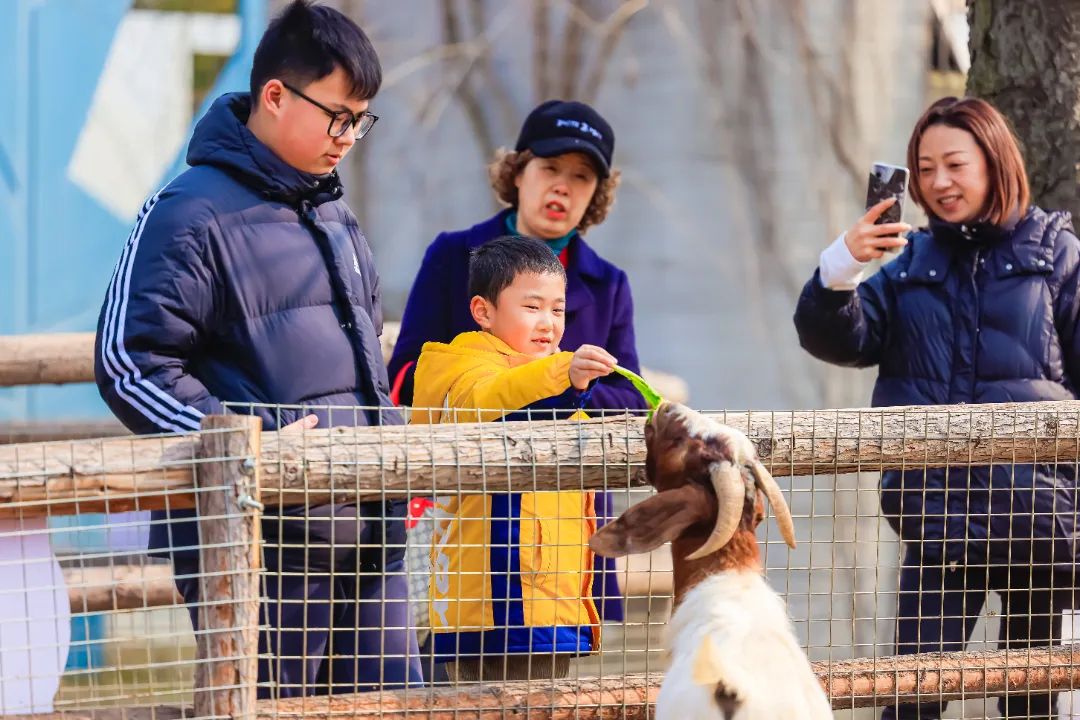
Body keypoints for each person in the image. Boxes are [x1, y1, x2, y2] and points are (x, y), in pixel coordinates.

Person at [93, 0, 419, 697]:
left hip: (371, 531)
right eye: (339, 115)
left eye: (361, 120)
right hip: (261, 540)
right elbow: (131, 363)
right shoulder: (189, 212)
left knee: (396, 708)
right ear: (275, 95)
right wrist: (249, 444)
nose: (349, 136)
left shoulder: (334, 214)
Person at [794, 96, 1080, 720]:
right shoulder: (907, 266)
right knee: (910, 702)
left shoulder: (1056, 255)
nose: (939, 183)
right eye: (925, 169)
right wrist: (842, 266)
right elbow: (840, 339)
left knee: (1030, 705)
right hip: (937, 524)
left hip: (1038, 525)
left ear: (994, 161)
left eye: (954, 163)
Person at [411, 235, 616, 681]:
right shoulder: (462, 369)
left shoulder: (553, 379)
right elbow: (494, 402)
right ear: (483, 311)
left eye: (558, 309)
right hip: (495, 601)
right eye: (532, 307)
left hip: (547, 597)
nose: (548, 323)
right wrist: (567, 376)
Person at [387, 99, 646, 416]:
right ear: (519, 172)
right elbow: (402, 376)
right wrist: (507, 383)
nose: (562, 188)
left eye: (582, 176)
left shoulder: (609, 283)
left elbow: (632, 402)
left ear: (597, 192)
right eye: (550, 168)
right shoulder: (452, 253)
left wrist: (568, 383)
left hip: (567, 459)